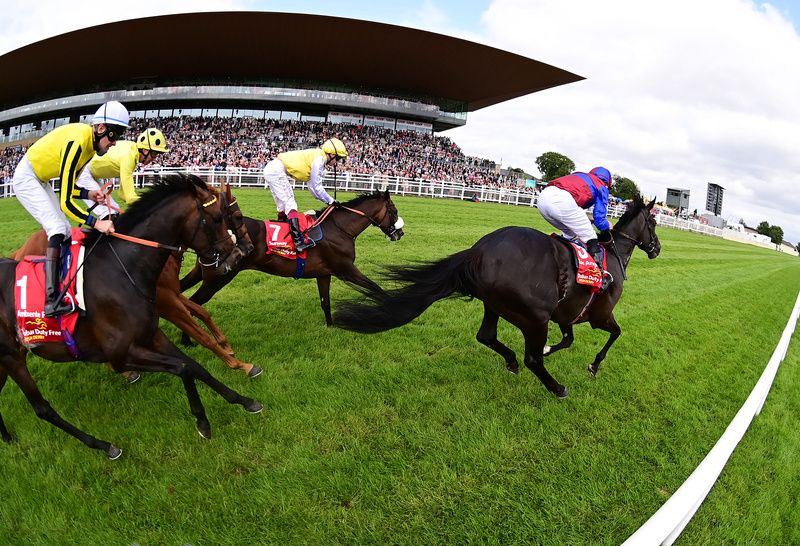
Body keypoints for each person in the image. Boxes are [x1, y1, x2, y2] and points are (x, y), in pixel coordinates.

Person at [12, 100, 129, 316]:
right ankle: (50, 301)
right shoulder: (78, 143)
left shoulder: (90, 149)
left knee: (65, 230)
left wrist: (89, 194)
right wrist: (97, 223)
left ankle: (62, 288)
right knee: (57, 228)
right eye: (114, 136)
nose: (114, 143)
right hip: (27, 178)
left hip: (40, 179)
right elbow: (65, 202)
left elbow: (69, 188)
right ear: (101, 128)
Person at [263, 137, 347, 251]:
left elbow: (313, 189)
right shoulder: (319, 159)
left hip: (272, 169)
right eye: (337, 158)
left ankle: (283, 236)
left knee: (282, 206)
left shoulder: (316, 156)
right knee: (291, 204)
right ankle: (298, 242)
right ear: (331, 154)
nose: (336, 162)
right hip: (276, 171)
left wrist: (328, 201)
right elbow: (317, 187)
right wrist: (331, 201)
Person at [537, 166, 614, 290]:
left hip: (542, 200)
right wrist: (608, 226)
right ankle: (600, 276)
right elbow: (600, 220)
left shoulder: (581, 176)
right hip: (561, 201)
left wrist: (588, 221)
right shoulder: (601, 185)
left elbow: (575, 209)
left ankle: (564, 266)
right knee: (591, 237)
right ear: (607, 182)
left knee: (571, 236)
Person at [77, 128, 169, 218]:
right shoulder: (129, 157)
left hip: (92, 173)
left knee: (115, 211)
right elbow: (130, 198)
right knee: (108, 213)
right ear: (145, 150)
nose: (154, 158)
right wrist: (154, 205)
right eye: (154, 154)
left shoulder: (133, 154)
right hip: (83, 171)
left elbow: (122, 194)